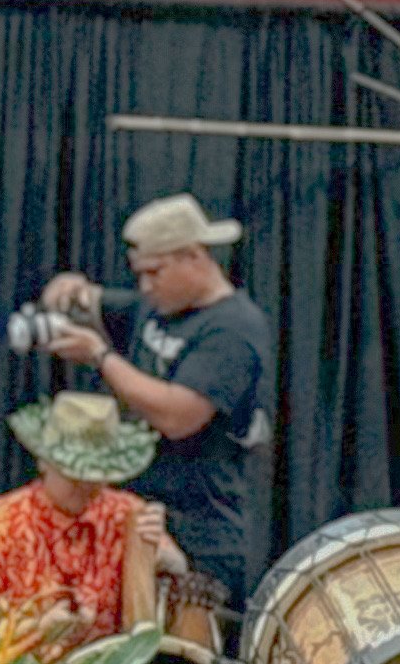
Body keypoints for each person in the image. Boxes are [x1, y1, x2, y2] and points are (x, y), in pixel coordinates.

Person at [32, 193, 273, 608]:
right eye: (139, 274)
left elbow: (179, 415)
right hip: (142, 518)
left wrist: (101, 357)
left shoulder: (234, 330)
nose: (145, 286)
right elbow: (98, 300)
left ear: (193, 257)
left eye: (155, 273)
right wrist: (72, 291)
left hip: (201, 532)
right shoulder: (158, 306)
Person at [0, 390, 179, 646]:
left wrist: (163, 561)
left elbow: (179, 588)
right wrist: (37, 631)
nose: (85, 486)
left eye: (96, 476)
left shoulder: (128, 515)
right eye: (73, 475)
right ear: (43, 462)